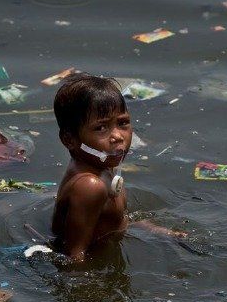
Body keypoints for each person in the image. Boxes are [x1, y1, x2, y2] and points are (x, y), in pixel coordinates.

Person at [51, 73, 184, 262]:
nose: (118, 136)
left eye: (122, 123)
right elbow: (74, 256)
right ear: (69, 139)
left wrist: (157, 231)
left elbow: (114, 222)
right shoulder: (89, 186)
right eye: (101, 128)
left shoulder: (103, 165)